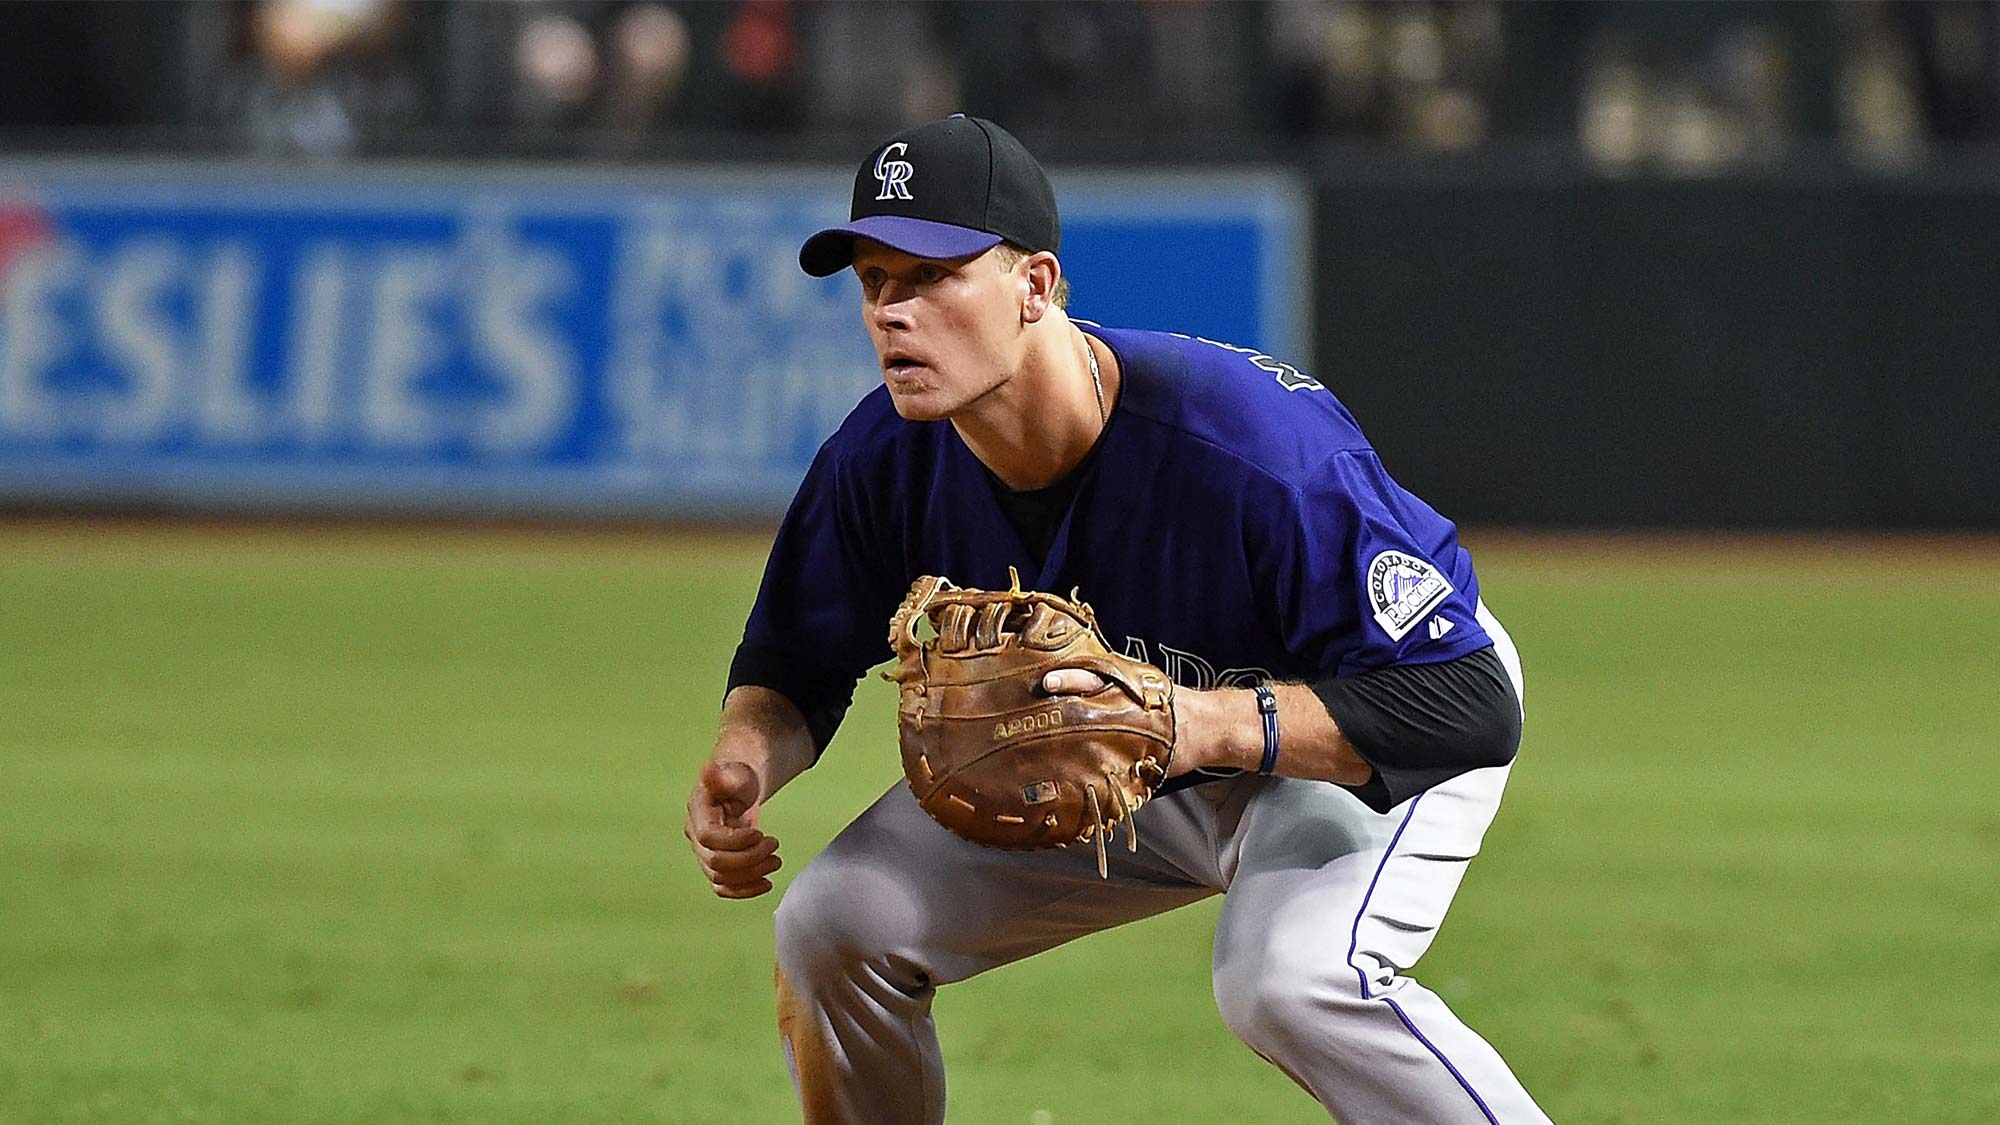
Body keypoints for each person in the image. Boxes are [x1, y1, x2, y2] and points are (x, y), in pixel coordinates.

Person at [682, 113, 1553, 1124]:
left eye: (931, 276)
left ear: (1034, 285)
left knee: (1287, 980)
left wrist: (1200, 723)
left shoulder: (1252, 449)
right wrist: (745, 760)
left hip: (1343, 733)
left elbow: (1466, 704)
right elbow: (795, 656)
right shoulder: (881, 458)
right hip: (1121, 747)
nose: (892, 312)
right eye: (873, 281)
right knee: (834, 925)